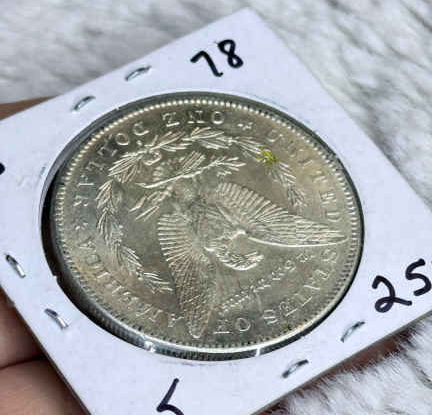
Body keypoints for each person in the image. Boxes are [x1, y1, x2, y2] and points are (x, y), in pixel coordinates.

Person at [0, 99, 398, 415]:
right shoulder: (217, 211)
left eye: (234, 249)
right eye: (241, 244)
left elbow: (202, 279)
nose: (237, 240)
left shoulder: (187, 221)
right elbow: (271, 231)